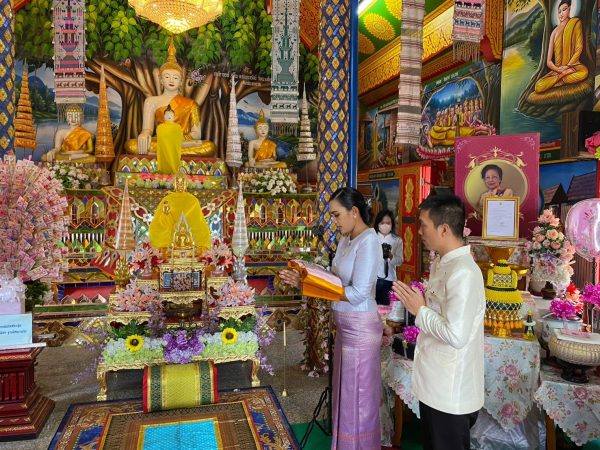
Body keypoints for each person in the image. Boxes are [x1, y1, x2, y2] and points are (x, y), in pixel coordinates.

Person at [279, 187, 382, 450]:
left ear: (355, 212)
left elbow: (358, 293)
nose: (334, 222)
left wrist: (311, 287)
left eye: (337, 215)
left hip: (360, 327)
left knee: (357, 395)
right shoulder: (347, 239)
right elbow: (335, 280)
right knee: (345, 391)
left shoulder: (369, 241)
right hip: (345, 326)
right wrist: (305, 278)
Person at [391, 194, 485, 450]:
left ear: (444, 229)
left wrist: (419, 310)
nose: (419, 231)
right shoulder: (442, 262)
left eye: (423, 225)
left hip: (450, 390)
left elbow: (456, 335)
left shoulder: (464, 273)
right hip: (436, 381)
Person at [125, 37, 216, 157]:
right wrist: (144, 134)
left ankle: (168, 151)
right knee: (131, 145)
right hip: (161, 141)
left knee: (209, 146)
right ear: (161, 80)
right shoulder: (151, 101)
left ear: (181, 82)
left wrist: (177, 138)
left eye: (176, 77)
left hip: (182, 142)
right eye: (167, 77)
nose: (171, 80)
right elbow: (147, 129)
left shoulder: (191, 104)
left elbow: (196, 134)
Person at [148, 170, 211, 252]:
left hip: (190, 240)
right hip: (171, 239)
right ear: (174, 184)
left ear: (186, 184)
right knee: (157, 234)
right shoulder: (168, 199)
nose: (180, 185)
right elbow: (161, 224)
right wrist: (166, 214)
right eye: (177, 183)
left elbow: (198, 223)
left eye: (182, 183)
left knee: (202, 236)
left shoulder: (193, 200)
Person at [534, 0, 588, 94]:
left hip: (573, 67)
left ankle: (556, 82)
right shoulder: (554, 32)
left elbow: (579, 48)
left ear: (570, 9)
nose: (561, 13)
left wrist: (568, 66)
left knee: (584, 73)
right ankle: (560, 78)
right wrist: (558, 70)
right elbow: (549, 61)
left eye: (564, 10)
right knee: (538, 86)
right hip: (559, 70)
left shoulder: (575, 22)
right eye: (559, 11)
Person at [374, 210, 404, 305]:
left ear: (392, 224)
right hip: (373, 279)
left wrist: (391, 256)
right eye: (382, 223)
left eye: (388, 223)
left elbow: (400, 261)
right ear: (378, 223)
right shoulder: (372, 237)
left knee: (385, 308)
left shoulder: (397, 240)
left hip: (389, 279)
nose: (385, 225)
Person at [156, 105, 183, 175]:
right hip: (163, 149)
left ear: (174, 117)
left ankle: (174, 170)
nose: (169, 116)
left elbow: (179, 140)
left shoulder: (178, 127)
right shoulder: (160, 127)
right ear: (164, 117)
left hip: (174, 149)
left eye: (171, 114)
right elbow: (160, 140)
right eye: (167, 114)